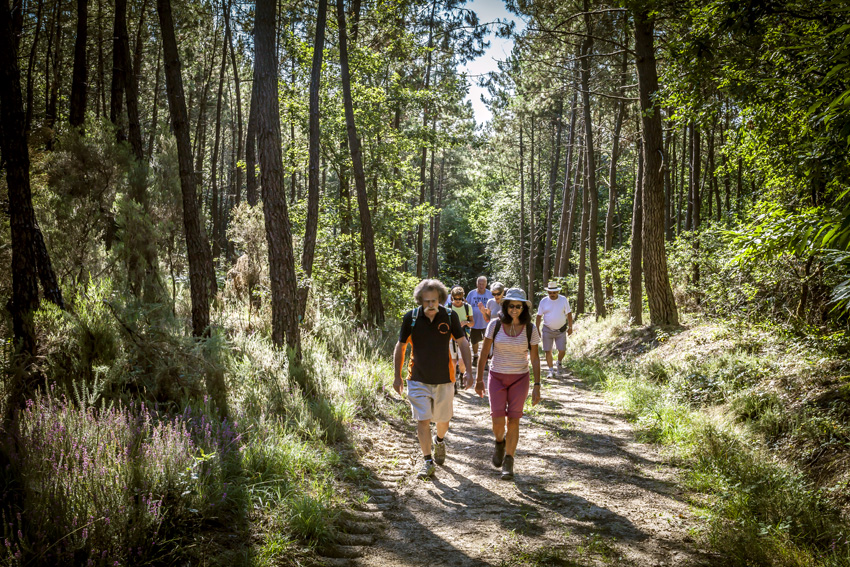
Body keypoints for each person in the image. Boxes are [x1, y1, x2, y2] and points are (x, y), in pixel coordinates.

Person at [394, 279, 473, 479]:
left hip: (444, 378)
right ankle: (427, 461)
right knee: (422, 419)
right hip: (417, 377)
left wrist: (468, 371)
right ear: (420, 300)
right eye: (426, 301)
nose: (430, 305)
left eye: (434, 301)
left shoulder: (449, 316)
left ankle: (439, 440)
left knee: (443, 420)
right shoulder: (411, 318)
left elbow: (462, 342)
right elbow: (401, 347)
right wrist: (397, 376)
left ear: (441, 300)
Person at [475, 288, 542, 480]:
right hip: (497, 377)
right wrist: (479, 380)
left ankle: (509, 460)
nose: (515, 309)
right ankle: (499, 442)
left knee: (514, 419)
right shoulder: (494, 325)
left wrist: (537, 385)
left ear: (524, 308)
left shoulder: (530, 328)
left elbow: (535, 359)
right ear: (505, 306)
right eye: (511, 306)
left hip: (520, 378)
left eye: (518, 306)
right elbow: (484, 354)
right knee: (497, 420)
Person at [535, 281, 573, 378]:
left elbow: (569, 313)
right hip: (547, 329)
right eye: (550, 293)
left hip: (561, 330)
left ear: (558, 292)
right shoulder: (543, 301)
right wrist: (537, 329)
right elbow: (539, 316)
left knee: (562, 350)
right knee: (548, 350)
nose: (552, 294)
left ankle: (559, 363)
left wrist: (570, 327)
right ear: (548, 292)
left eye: (554, 292)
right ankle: (551, 370)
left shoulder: (563, 300)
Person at [448, 287, 474, 391]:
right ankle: (453, 383)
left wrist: (466, 323)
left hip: (463, 337)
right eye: (455, 298)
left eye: (460, 298)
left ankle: (462, 374)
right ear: (452, 297)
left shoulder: (468, 307)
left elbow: (472, 323)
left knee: (462, 361)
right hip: (450, 338)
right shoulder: (448, 307)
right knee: (453, 362)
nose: (458, 301)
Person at [466, 276, 494, 367]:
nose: (481, 286)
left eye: (483, 284)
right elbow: (466, 305)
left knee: (487, 341)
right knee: (474, 341)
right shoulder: (471, 293)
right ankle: (475, 356)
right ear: (476, 284)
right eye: (479, 284)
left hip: (487, 323)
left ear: (486, 284)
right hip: (474, 322)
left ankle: (485, 360)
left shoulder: (490, 294)